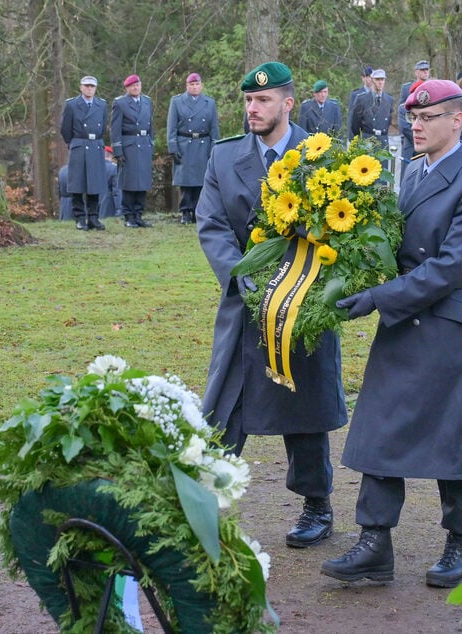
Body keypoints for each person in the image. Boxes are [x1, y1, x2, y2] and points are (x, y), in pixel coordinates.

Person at [322, 79, 462, 588]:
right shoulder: (414, 171)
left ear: (457, 120)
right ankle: (374, 542)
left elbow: (450, 267)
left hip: (449, 318)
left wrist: (379, 298)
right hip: (405, 316)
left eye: (428, 118)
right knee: (382, 424)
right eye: (413, 118)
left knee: (457, 432)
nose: (416, 126)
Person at [195, 62, 348, 550]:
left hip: (303, 306)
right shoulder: (224, 157)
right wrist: (244, 278)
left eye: (263, 100)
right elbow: (212, 224)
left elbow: (344, 229)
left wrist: (306, 288)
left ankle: (316, 505)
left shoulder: (322, 156)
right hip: (245, 305)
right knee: (225, 405)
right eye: (248, 100)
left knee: (305, 407)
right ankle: (201, 505)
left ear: (288, 103)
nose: (252, 109)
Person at [167, 72, 219, 225]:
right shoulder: (177, 101)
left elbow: (214, 128)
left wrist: (214, 147)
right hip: (185, 144)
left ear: (201, 85)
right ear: (187, 86)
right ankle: (185, 212)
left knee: (202, 181)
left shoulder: (209, 102)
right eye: (191, 84)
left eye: (197, 84)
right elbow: (171, 126)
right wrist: (172, 146)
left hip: (203, 144)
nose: (194, 87)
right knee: (186, 181)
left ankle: (198, 211)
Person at [60, 75, 107, 231]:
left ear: (95, 88)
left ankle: (93, 217)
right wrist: (74, 143)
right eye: (86, 86)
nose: (89, 89)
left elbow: (103, 127)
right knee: (77, 185)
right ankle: (80, 218)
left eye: (92, 86)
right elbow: (65, 129)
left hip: (95, 145)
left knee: (95, 184)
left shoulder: (101, 105)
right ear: (81, 87)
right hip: (79, 145)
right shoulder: (72, 105)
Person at [111, 75, 154, 228]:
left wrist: (151, 143)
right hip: (129, 145)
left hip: (144, 144)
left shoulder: (147, 101)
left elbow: (150, 126)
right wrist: (118, 150)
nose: (135, 88)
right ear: (127, 88)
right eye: (132, 86)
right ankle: (129, 215)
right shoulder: (120, 103)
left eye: (137, 85)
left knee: (143, 182)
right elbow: (115, 129)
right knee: (129, 182)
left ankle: (138, 215)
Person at [350, 68, 393, 152]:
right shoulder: (362, 99)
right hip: (367, 140)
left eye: (382, 79)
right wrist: (362, 139)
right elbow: (355, 124)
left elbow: (387, 122)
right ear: (372, 80)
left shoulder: (389, 99)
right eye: (377, 79)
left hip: (382, 141)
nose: (380, 82)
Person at [398, 61, 431, 166]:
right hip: (410, 141)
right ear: (416, 72)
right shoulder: (407, 88)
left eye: (427, 70)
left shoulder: (433, 86)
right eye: (422, 70)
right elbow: (403, 112)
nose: (425, 72)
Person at [99, 146, 121, 219]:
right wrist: (119, 208)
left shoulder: (93, 167)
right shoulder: (114, 168)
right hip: (108, 205)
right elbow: (116, 190)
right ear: (111, 155)